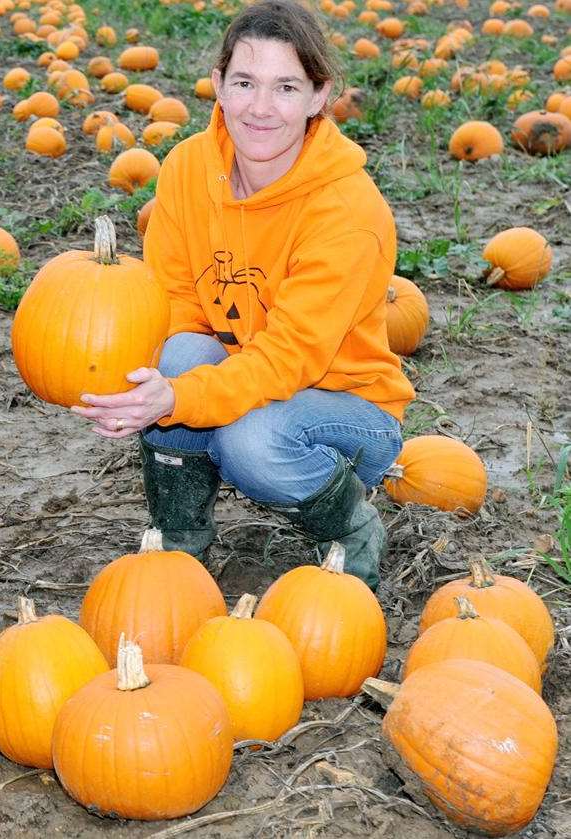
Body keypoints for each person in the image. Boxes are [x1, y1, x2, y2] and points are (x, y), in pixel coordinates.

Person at [73, 0, 414, 590]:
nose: (260, 108)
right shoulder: (186, 169)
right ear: (218, 87)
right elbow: (174, 302)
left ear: (318, 96)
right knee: (171, 355)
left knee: (249, 439)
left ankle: (350, 527)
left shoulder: (348, 213)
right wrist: (171, 385)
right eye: (245, 83)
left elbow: (288, 358)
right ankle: (180, 545)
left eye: (286, 86)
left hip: (349, 407)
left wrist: (180, 399)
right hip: (247, 376)